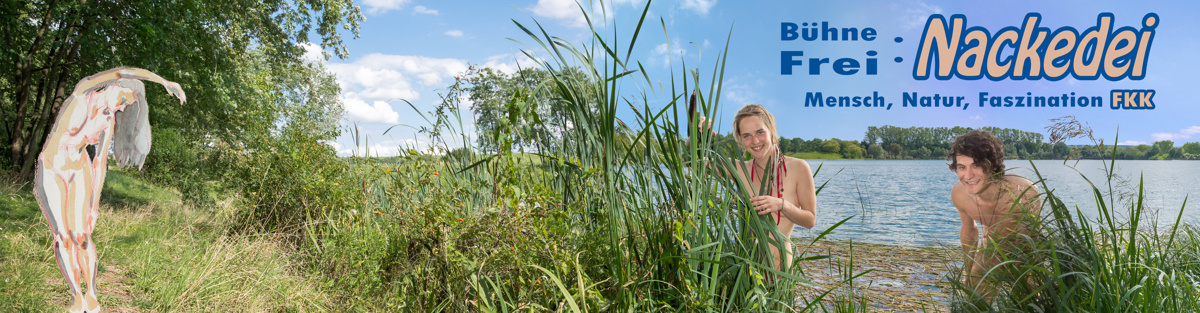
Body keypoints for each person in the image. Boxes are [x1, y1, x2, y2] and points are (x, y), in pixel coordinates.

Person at [35, 67, 185, 313]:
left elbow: (99, 163)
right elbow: (121, 71)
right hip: (52, 167)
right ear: (118, 85)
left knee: (81, 235)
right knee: (63, 235)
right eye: (126, 98)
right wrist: (163, 80)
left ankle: (92, 293)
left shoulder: (108, 121)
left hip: (79, 167)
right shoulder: (83, 91)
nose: (123, 106)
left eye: (128, 105)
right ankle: (76, 295)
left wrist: (94, 206)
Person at [697, 104, 817, 272]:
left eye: (760, 132)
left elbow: (810, 220)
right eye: (746, 136)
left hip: (780, 273)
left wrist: (782, 205)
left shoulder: (798, 168)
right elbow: (694, 160)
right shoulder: (739, 170)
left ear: (771, 130)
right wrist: (698, 132)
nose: (755, 141)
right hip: (746, 271)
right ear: (740, 139)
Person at [948, 130, 1042, 300]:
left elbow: (1009, 237)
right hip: (993, 236)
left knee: (1026, 297)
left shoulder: (1022, 191)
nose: (968, 175)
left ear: (992, 165)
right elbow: (969, 230)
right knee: (974, 291)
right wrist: (969, 272)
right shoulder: (959, 194)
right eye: (962, 167)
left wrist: (978, 272)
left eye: (976, 165)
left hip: (1027, 245)